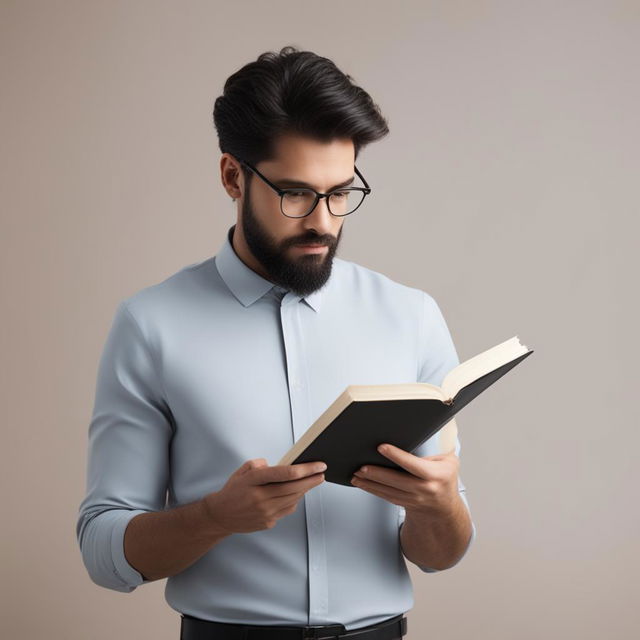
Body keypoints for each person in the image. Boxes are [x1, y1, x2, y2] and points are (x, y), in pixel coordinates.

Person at [76, 45, 476, 640]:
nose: (323, 221)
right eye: (295, 194)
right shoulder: (151, 324)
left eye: (341, 193)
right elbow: (104, 551)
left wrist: (438, 505)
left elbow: (440, 554)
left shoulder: (410, 316)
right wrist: (215, 517)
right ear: (232, 176)